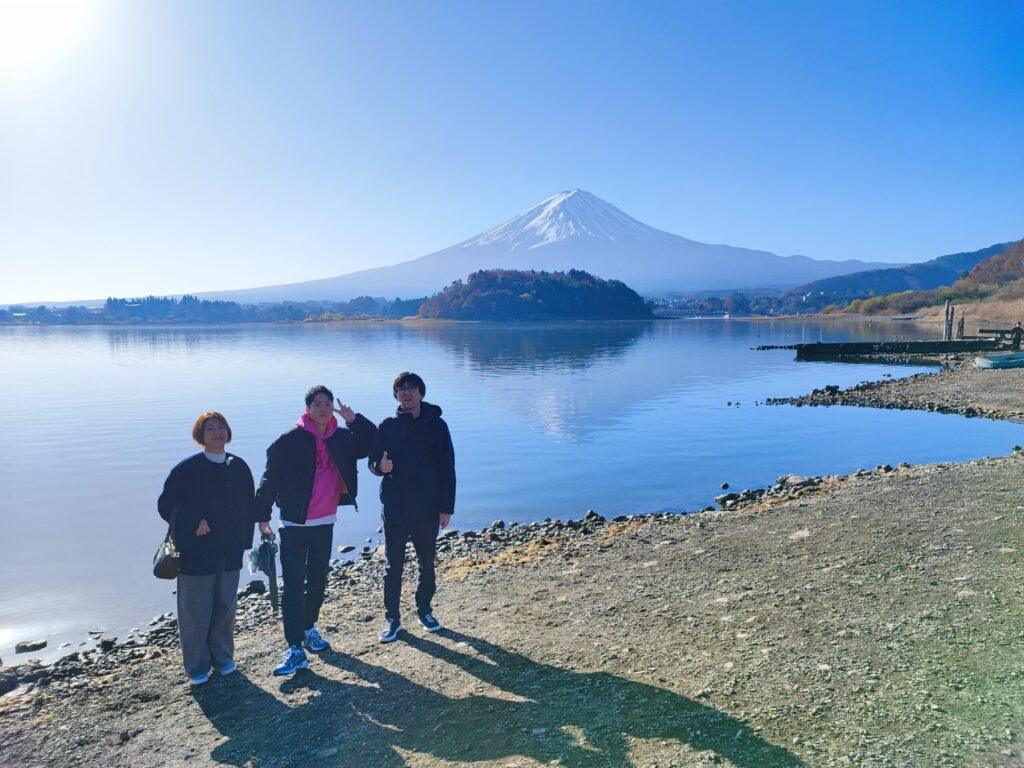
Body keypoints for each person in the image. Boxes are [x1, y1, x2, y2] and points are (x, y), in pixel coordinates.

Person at [256, 385, 376, 676]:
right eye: (317, 403)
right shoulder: (289, 440)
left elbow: (372, 442)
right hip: (295, 524)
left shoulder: (342, 437)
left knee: (318, 581)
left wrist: (354, 419)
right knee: (294, 585)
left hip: (325, 521)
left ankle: (309, 628)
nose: (323, 408)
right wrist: (262, 516)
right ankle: (294, 647)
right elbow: (270, 478)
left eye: (327, 403)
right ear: (308, 408)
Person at [158, 411, 271, 685]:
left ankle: (223, 658)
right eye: (210, 429)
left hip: (230, 550)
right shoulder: (187, 469)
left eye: (221, 428)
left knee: (225, 607)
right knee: (195, 611)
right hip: (197, 553)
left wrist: (262, 522)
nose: (217, 433)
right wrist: (194, 521)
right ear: (200, 435)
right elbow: (166, 505)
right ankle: (197, 668)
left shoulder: (238, 466)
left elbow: (249, 503)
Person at [369, 372, 456, 643]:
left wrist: (446, 508)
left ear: (421, 392)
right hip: (395, 508)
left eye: (411, 388)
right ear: (395, 394)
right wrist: (378, 468)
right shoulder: (387, 426)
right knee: (393, 565)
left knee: (426, 563)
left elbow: (447, 468)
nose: (406, 393)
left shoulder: (437, 425)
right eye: (401, 389)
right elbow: (373, 462)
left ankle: (425, 610)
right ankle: (393, 619)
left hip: (427, 507)